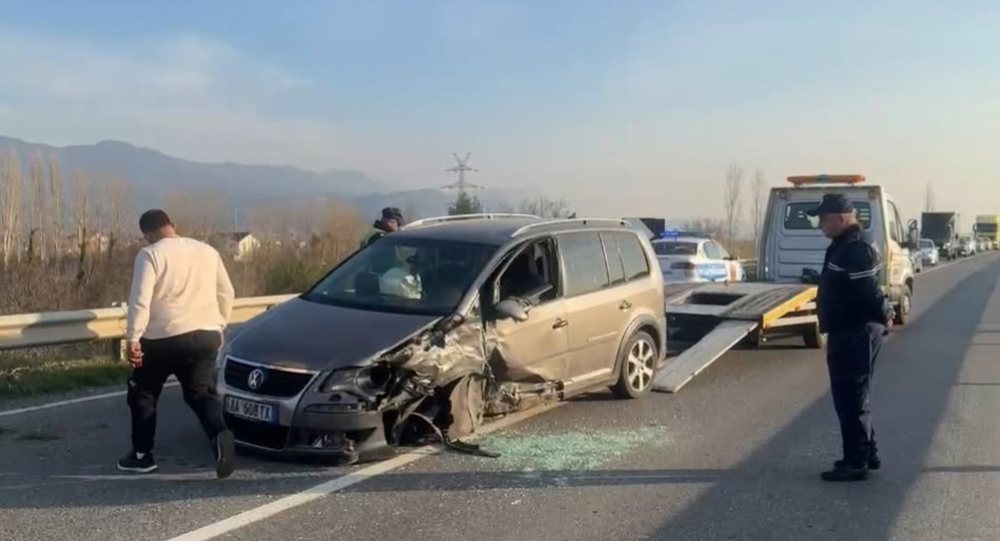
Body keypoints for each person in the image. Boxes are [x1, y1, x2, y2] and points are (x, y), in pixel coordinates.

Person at [118, 209, 237, 479]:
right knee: (200, 394)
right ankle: (220, 436)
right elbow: (227, 292)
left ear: (146, 234)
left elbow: (140, 300)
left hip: (162, 337)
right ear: (173, 225)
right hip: (206, 334)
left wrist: (133, 338)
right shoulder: (207, 251)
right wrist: (219, 324)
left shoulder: (150, 254)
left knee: (144, 393)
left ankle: (141, 456)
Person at [809, 194, 894, 482]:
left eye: (824, 219)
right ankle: (866, 453)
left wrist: (884, 313)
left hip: (855, 331)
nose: (820, 225)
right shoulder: (845, 244)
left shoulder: (856, 247)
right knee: (856, 396)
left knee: (851, 397)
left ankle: (856, 461)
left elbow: (869, 291)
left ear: (842, 218)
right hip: (849, 329)